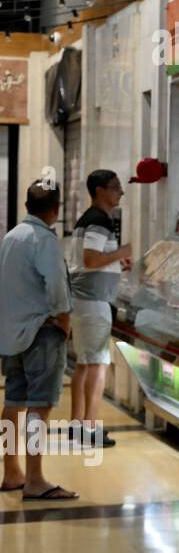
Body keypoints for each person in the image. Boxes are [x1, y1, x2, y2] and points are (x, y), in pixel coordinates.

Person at [0, 182, 78, 501]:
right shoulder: (44, 240)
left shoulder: (11, 237)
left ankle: (11, 471)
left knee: (13, 404)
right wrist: (64, 321)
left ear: (27, 205)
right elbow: (57, 286)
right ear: (56, 210)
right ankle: (34, 480)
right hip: (40, 331)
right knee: (39, 407)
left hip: (12, 334)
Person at [68, 169, 132, 449]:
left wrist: (117, 262)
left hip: (84, 301)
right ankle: (90, 428)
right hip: (93, 302)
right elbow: (91, 259)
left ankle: (77, 424)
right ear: (99, 191)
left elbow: (91, 260)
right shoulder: (98, 221)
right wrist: (123, 252)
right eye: (115, 186)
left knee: (85, 364)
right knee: (97, 365)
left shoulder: (90, 220)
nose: (121, 191)